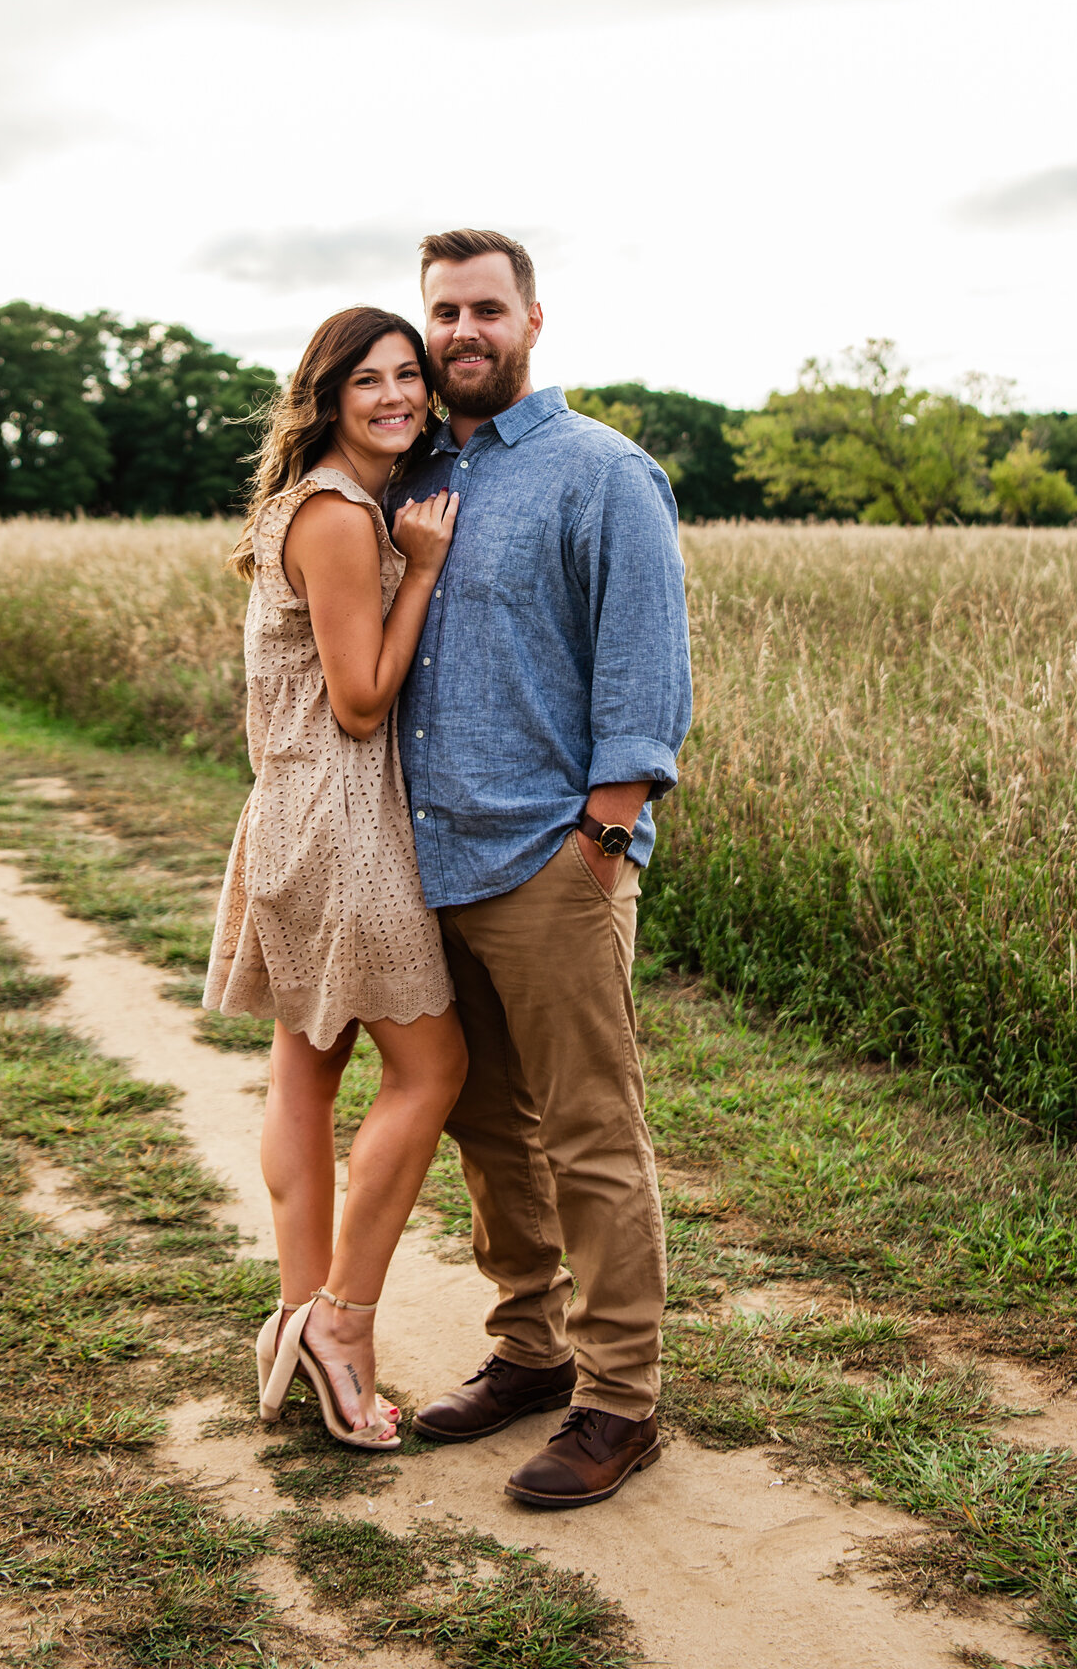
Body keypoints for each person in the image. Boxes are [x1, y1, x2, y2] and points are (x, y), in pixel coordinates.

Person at [393, 227, 692, 1509]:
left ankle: (619, 1397)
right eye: (442, 312)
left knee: (588, 1132)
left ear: (531, 319)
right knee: (480, 1124)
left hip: (549, 865)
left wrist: (601, 838)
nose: (461, 332)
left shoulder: (601, 473)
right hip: (428, 861)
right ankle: (528, 1346)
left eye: (483, 309)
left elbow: (643, 675)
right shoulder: (407, 471)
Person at [204, 306, 468, 1451]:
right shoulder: (340, 512)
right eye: (370, 379)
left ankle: (297, 1311)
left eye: (410, 375)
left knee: (305, 1075)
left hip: (294, 814)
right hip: (343, 823)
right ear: (326, 393)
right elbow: (361, 700)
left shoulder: (311, 501)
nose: (398, 395)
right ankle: (342, 1321)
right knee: (432, 1066)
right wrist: (425, 568)